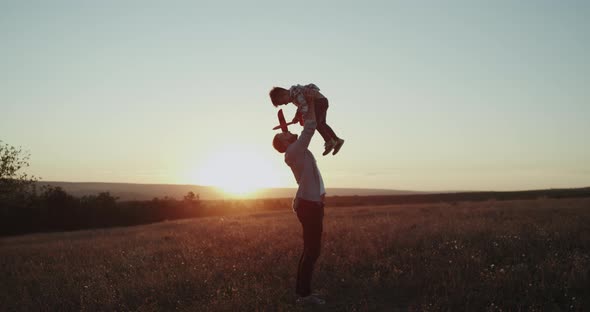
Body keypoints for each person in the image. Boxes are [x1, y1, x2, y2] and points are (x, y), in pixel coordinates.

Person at [272, 101, 327, 305]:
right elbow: (310, 128)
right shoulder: (293, 151)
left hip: (312, 204)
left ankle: (303, 294)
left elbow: (301, 131)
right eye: (284, 135)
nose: (288, 133)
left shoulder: (295, 150)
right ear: (284, 144)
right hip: (309, 206)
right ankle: (304, 296)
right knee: (312, 251)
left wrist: (294, 122)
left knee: (310, 250)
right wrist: (308, 104)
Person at [270, 83, 344, 156]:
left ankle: (329, 141)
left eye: (283, 102)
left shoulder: (295, 93)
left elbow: (304, 106)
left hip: (318, 102)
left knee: (317, 123)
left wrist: (300, 116)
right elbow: (302, 107)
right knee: (322, 123)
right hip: (322, 101)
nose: (286, 104)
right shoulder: (294, 95)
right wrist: (297, 116)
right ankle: (337, 140)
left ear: (283, 94)